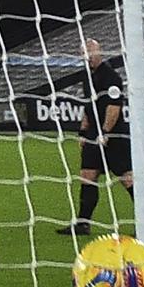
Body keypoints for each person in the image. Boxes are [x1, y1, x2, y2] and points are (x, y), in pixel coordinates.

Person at [58, 39, 134, 236]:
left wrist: (106, 132)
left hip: (114, 135)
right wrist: (84, 133)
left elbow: (113, 107)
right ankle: (83, 224)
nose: (88, 57)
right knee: (87, 176)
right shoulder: (87, 77)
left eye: (91, 53)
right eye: (84, 53)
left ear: (100, 52)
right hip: (94, 134)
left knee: (127, 178)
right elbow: (88, 107)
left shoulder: (111, 77)